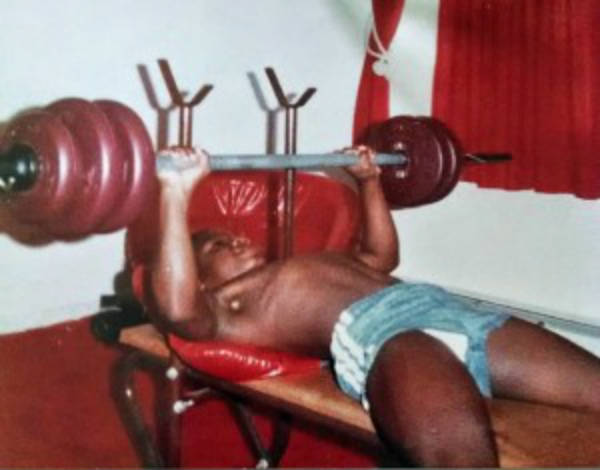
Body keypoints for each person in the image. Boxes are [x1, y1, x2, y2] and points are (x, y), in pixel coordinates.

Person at [149, 146, 600, 467]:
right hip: (387, 336)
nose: (237, 238)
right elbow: (177, 308)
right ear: (198, 276)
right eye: (216, 246)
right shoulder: (226, 308)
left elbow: (382, 258)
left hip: (445, 308)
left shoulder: (303, 264)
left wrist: (369, 183)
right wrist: (175, 193)